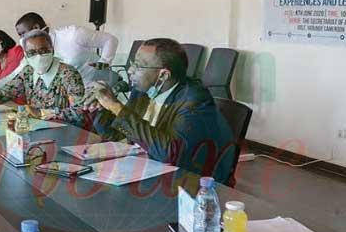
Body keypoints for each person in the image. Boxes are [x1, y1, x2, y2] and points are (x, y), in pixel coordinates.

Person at [88, 38, 236, 184]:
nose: (130, 70)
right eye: (133, 63)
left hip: (194, 181)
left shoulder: (195, 100)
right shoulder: (141, 91)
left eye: (139, 66)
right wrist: (101, 109)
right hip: (153, 168)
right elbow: (119, 136)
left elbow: (170, 153)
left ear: (163, 75)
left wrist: (115, 106)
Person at [0, 12, 119, 93]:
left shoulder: (73, 35)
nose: (22, 39)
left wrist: (104, 63)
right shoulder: (33, 51)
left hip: (95, 88)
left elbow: (110, 40)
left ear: (36, 27)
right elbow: (14, 75)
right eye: (19, 35)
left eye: (23, 33)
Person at [0, 30, 84, 117]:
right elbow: (4, 93)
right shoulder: (29, 72)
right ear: (26, 55)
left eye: (44, 50)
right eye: (32, 53)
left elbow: (80, 112)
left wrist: (43, 114)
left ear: (52, 49)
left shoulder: (68, 73)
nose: (39, 56)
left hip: (66, 133)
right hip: (37, 130)